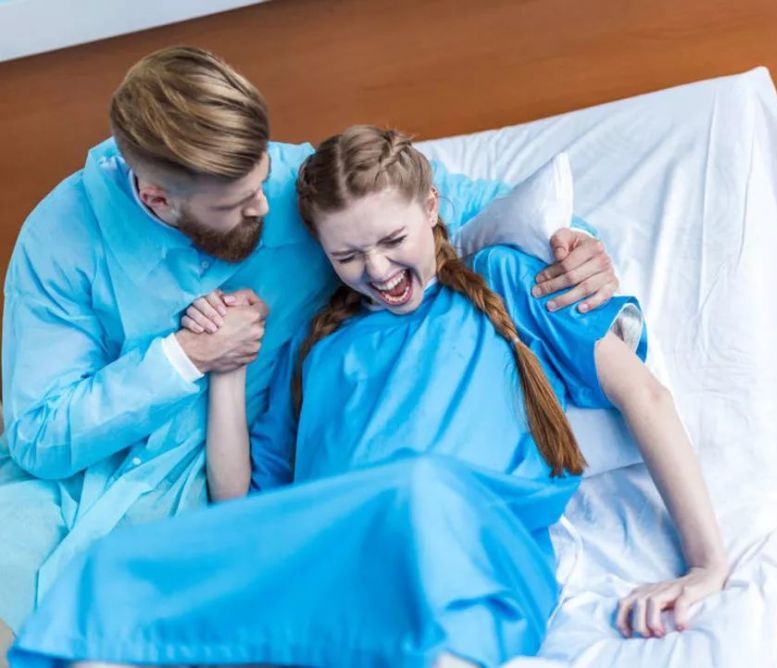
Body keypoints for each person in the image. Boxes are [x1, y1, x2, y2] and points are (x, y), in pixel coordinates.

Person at [8, 127, 728, 668]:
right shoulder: (317, 347)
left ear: (433, 207)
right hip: (335, 565)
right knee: (116, 568)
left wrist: (706, 565)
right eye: (347, 256)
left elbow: (645, 397)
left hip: (466, 550)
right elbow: (240, 501)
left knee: (414, 490)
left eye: (392, 240)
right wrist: (227, 369)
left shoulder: (510, 281)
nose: (378, 270)